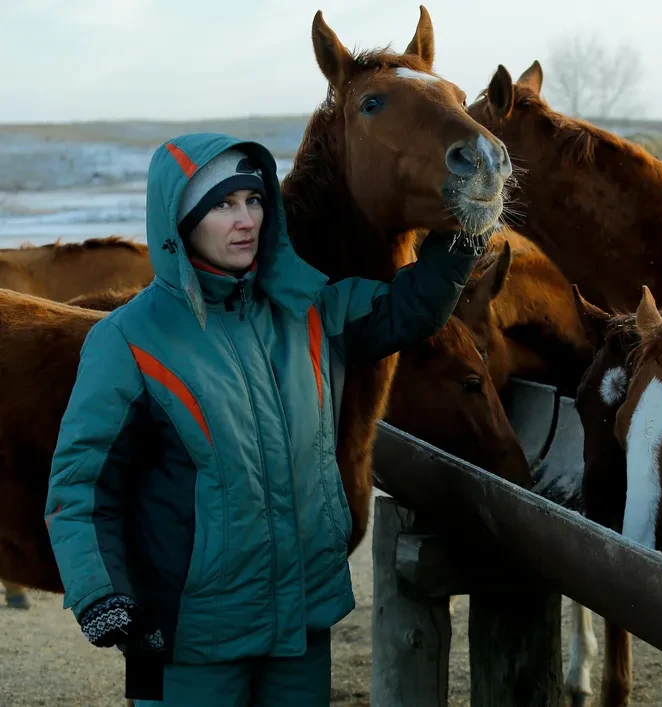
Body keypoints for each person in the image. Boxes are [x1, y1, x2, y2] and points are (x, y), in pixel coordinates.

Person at [43, 133, 490, 706]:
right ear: (179, 218)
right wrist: (101, 596)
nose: (245, 219)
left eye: (254, 200)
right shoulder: (128, 340)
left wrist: (467, 226)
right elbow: (79, 486)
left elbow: (412, 307)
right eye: (223, 205)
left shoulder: (309, 308)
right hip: (189, 640)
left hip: (300, 627)